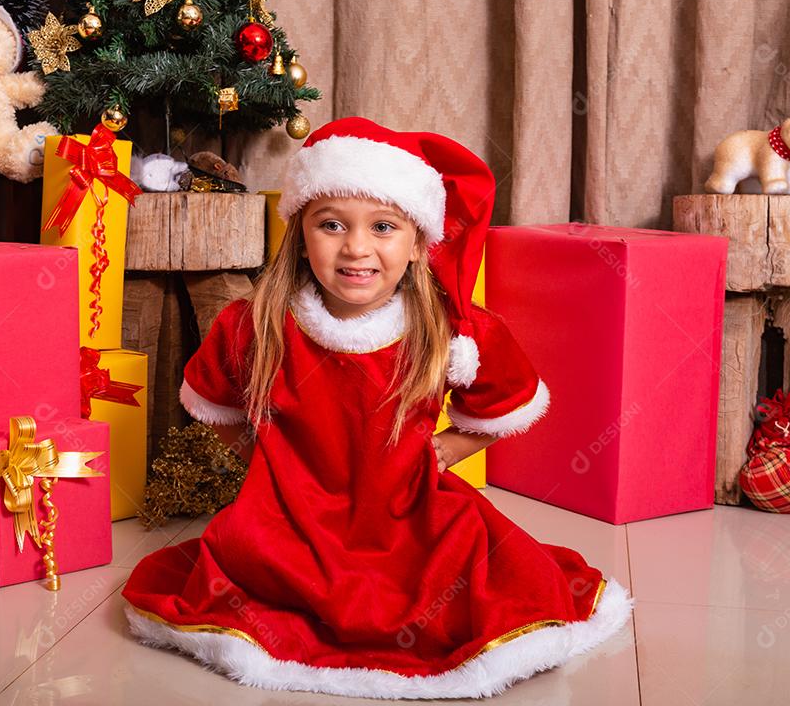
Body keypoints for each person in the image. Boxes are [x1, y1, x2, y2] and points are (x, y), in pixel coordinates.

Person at [122, 117, 633, 699]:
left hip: (408, 515)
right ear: (300, 233)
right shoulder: (255, 324)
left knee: (466, 570)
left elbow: (503, 403)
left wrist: (452, 448)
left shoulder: (449, 333)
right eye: (331, 225)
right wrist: (269, 466)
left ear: (418, 244)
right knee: (251, 567)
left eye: (383, 227)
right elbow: (218, 409)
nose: (356, 248)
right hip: (292, 521)